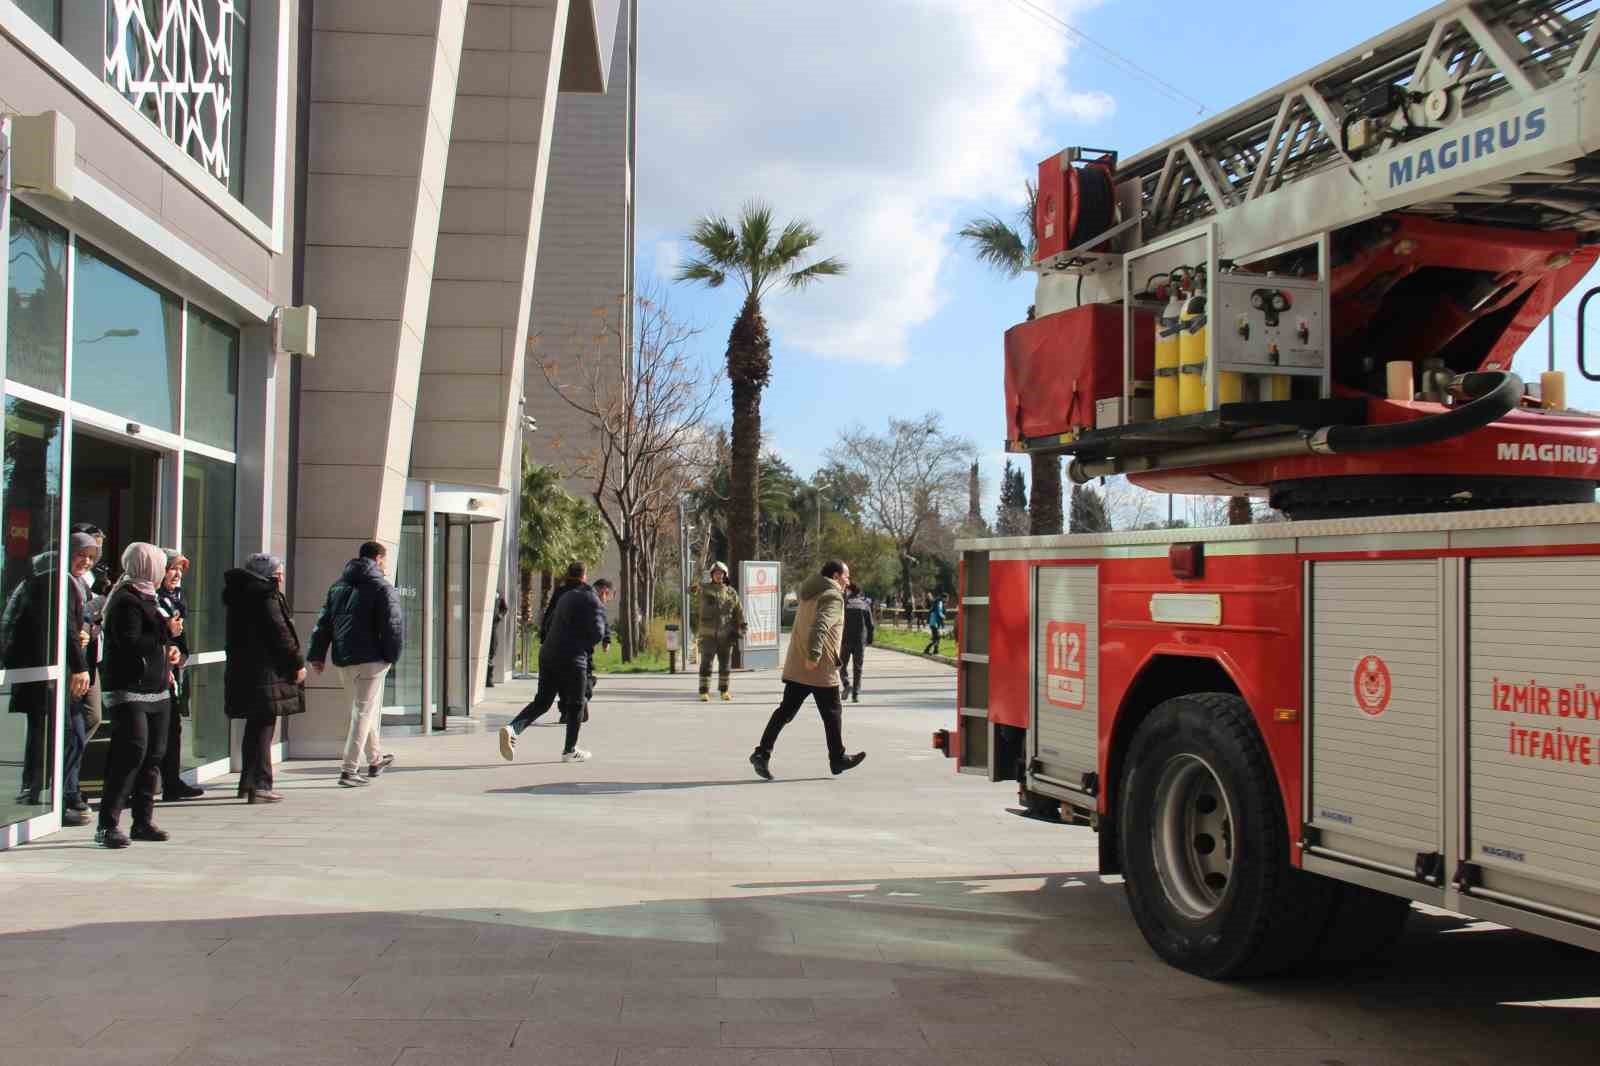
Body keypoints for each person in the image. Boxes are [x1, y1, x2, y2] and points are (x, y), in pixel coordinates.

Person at [96, 543, 182, 849]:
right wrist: (164, 634)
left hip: (156, 687)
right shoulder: (126, 599)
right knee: (130, 752)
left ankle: (143, 821)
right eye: (161, 565)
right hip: (128, 689)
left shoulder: (151, 597)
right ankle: (107, 824)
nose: (165, 572)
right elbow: (130, 642)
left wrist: (170, 649)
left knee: (154, 755)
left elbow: (155, 642)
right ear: (147, 567)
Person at [749, 560, 866, 781]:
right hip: (819, 667)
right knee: (832, 714)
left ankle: (761, 753)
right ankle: (837, 758)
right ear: (835, 575)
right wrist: (814, 656)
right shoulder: (832, 596)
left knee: (785, 711)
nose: (848, 581)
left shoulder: (810, 592)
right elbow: (821, 625)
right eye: (846, 576)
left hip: (798, 665)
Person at [307, 541, 402, 788]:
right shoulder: (382, 587)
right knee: (362, 713)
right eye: (385, 560)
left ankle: (375, 759)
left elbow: (323, 622)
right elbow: (393, 626)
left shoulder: (338, 586)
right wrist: (392, 656)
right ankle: (349, 770)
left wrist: (317, 654)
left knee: (361, 710)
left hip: (344, 659)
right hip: (372, 661)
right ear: (379, 559)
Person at [498, 562, 606, 763]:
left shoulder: (563, 596)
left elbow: (548, 622)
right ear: (584, 577)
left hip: (548, 654)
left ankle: (512, 728)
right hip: (573, 658)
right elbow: (598, 632)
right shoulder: (592, 598)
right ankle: (570, 750)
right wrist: (581, 646)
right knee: (576, 704)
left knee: (542, 701)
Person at [223, 554, 306, 803]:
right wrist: (297, 663)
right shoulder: (264, 596)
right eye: (277, 571)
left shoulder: (241, 594)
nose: (281, 575)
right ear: (266, 574)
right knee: (262, 728)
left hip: (247, 671)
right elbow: (281, 634)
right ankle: (260, 784)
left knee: (255, 727)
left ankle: (248, 783)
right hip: (265, 671)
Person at [157, 550, 204, 802]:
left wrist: (182, 653)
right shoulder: (153, 597)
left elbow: (181, 638)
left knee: (173, 728)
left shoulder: (177, 598)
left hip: (173, 672)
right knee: (159, 732)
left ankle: (171, 781)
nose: (176, 575)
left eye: (179, 570)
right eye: (170, 568)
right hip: (154, 675)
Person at [61, 534, 101, 826]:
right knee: (72, 732)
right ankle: (65, 791)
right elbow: (67, 629)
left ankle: (67, 789)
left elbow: (83, 626)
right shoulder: (62, 583)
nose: (85, 562)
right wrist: (79, 666)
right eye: (81, 555)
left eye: (90, 557)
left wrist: (90, 631)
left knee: (80, 728)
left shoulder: (82, 585)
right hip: (68, 670)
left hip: (81, 665)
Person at [696, 561, 746, 702]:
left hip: (726, 634)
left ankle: (724, 691)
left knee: (725, 664)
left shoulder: (731, 592)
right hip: (708, 635)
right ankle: (704, 692)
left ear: (725, 575)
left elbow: (739, 611)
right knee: (706, 663)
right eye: (716, 573)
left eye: (721, 573)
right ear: (712, 575)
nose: (719, 575)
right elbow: (690, 590)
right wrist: (697, 580)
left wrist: (742, 625)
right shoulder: (704, 589)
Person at [840, 582, 875, 703]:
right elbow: (870, 625)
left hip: (846, 639)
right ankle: (855, 694)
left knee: (841, 664)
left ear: (850, 591)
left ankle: (846, 684)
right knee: (858, 667)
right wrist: (870, 639)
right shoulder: (865, 605)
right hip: (860, 640)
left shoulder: (845, 604)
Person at [487, 591, 509, 688]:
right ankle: (487, 678)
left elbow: (504, 608)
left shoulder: (498, 594)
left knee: (492, 650)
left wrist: (500, 616)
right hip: (484, 625)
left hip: (493, 626)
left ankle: (489, 678)